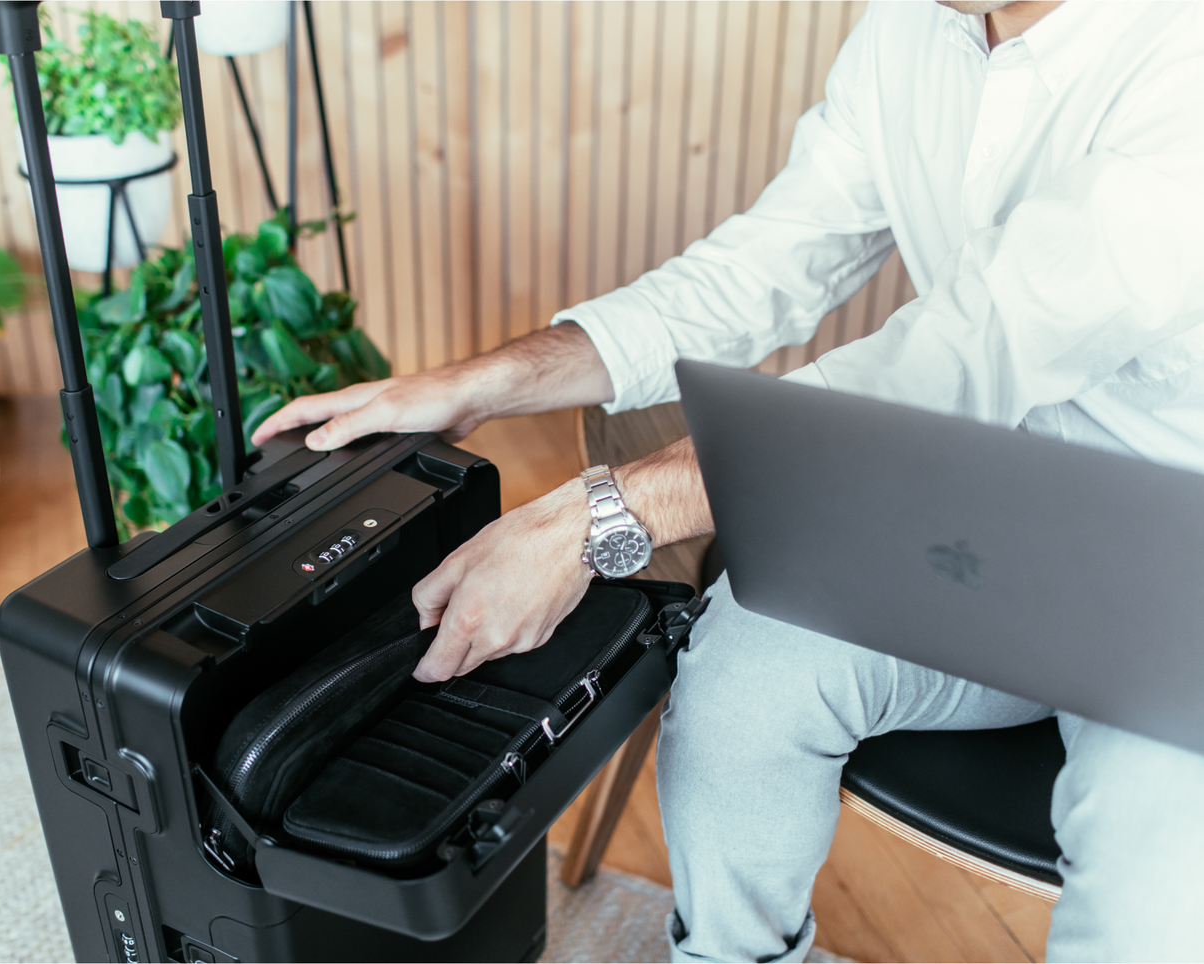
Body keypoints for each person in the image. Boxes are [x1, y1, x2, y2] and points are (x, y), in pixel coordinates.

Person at [255, 1, 1204, 960]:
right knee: (739, 686)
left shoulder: (1181, 62)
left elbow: (953, 362)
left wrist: (593, 517)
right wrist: (483, 381)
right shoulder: (912, 29)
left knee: (1151, 890)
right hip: (975, 506)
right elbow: (761, 269)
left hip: (1178, 571)